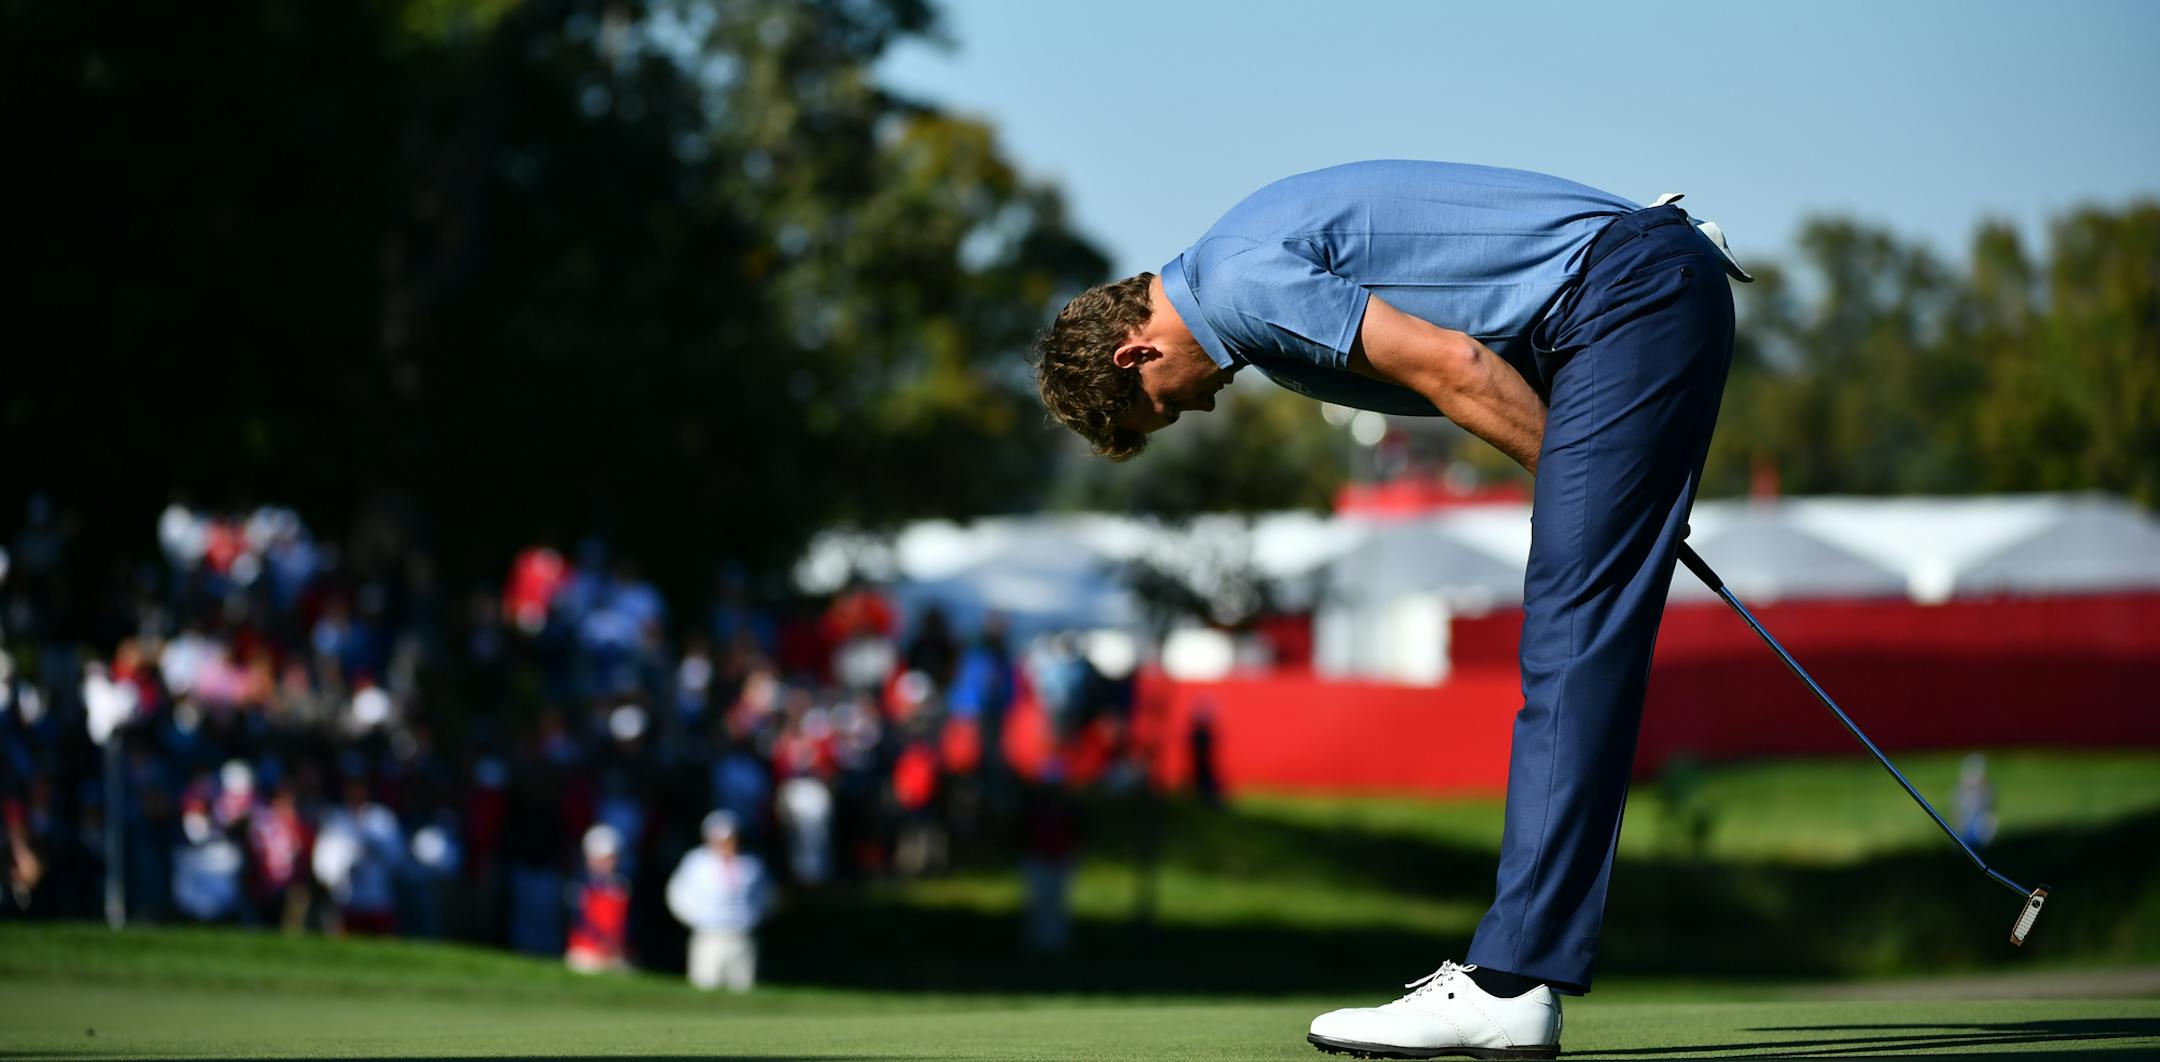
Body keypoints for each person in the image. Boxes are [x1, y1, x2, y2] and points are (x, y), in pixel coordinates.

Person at [1031, 160, 1751, 1059]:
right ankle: (1519, 973)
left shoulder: (1242, 289)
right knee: (1575, 628)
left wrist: (1610, 499)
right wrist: (1611, 496)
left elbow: (1458, 366)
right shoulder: (1237, 291)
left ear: (1134, 355)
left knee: (1567, 640)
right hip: (1628, 297)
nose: (1195, 409)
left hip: (1626, 294)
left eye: (1162, 411)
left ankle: (1510, 985)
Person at [665, 810, 772, 991]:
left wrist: (753, 918)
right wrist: (697, 920)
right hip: (709, 936)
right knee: (705, 984)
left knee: (743, 987)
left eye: (731, 838)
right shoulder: (696, 862)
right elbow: (678, 896)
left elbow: (767, 897)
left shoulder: (752, 864)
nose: (727, 844)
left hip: (742, 936)